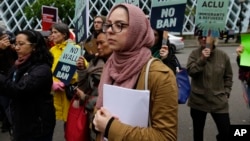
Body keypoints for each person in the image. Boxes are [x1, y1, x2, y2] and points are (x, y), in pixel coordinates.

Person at [93, 3, 178, 141]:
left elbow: (166, 137)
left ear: (136, 30)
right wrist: (96, 122)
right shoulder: (110, 65)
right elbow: (100, 111)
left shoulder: (161, 75)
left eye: (119, 25)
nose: (109, 30)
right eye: (108, 24)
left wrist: (110, 127)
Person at [0, 29, 55, 141]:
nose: (16, 48)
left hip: (36, 128)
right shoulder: (19, 64)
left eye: (21, 44)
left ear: (34, 47)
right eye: (15, 44)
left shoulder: (42, 69)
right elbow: (7, 83)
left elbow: (19, 90)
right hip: (20, 124)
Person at [186, 34, 233, 141]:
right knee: (198, 134)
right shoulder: (194, 54)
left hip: (218, 101)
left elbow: (228, 76)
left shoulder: (223, 55)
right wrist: (202, 59)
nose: (203, 38)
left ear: (213, 38)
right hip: (198, 101)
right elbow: (191, 72)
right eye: (200, 36)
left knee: (225, 132)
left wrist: (226, 91)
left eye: (206, 36)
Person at [75, 31, 112, 141]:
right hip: (93, 117)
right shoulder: (95, 62)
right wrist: (82, 70)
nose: (98, 47)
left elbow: (110, 98)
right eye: (97, 43)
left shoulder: (119, 67)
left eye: (102, 43)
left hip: (110, 121)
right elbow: (85, 87)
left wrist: (85, 98)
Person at [49, 23, 87, 128]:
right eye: (52, 32)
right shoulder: (52, 50)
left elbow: (84, 66)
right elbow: (48, 70)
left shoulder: (74, 48)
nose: (52, 35)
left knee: (71, 124)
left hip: (69, 92)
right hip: (56, 92)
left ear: (64, 34)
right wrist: (52, 82)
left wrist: (82, 64)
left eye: (55, 32)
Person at [0, 26, 17, 133]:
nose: (6, 40)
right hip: (2, 80)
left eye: (6, 37)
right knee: (5, 104)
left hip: (13, 78)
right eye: (2, 38)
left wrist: (14, 49)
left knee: (12, 105)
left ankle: (12, 126)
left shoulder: (10, 48)